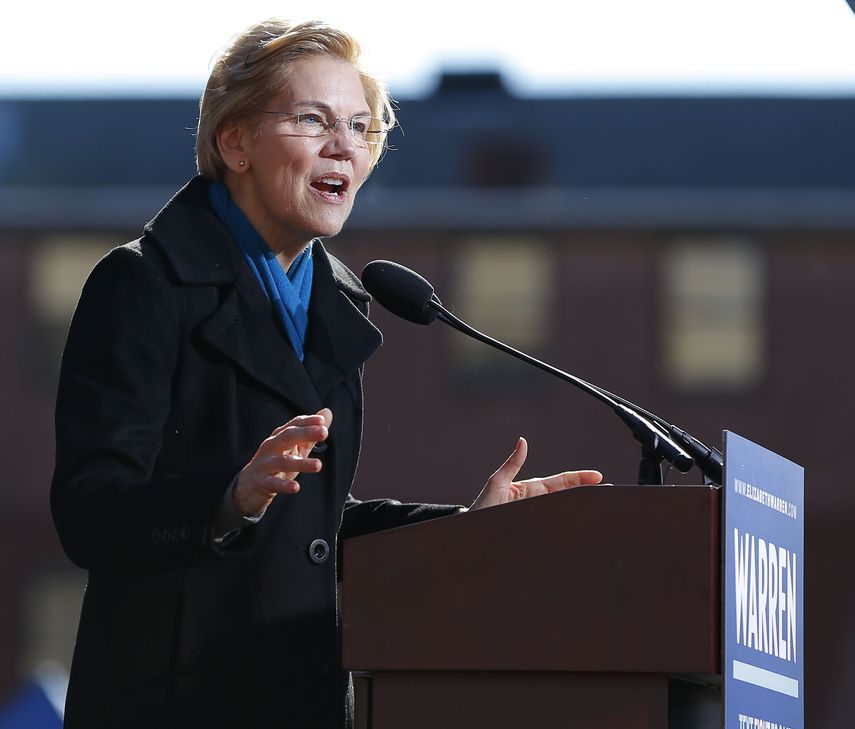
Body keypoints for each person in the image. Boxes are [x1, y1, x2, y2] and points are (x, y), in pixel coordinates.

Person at [50, 17, 603, 729]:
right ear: (235, 143)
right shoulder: (143, 284)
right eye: (313, 120)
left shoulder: (336, 300)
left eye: (360, 127)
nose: (344, 144)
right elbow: (90, 513)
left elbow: (311, 530)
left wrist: (463, 527)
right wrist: (229, 499)